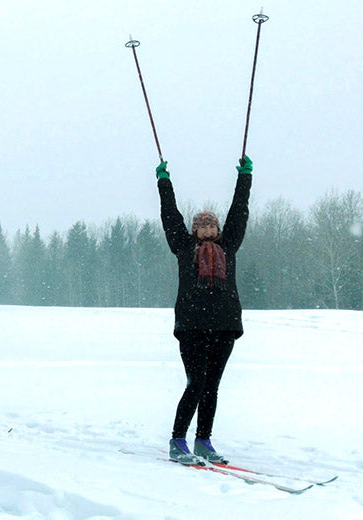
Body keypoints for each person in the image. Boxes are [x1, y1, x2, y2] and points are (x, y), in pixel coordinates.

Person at [156, 155, 253, 465]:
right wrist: (164, 182)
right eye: (202, 225)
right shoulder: (184, 248)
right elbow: (171, 216)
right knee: (195, 383)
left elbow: (239, 211)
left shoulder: (229, 246)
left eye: (212, 224)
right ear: (195, 230)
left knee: (212, 386)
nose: (208, 229)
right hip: (192, 326)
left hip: (224, 326)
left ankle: (204, 441)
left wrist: (245, 178)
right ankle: (177, 441)